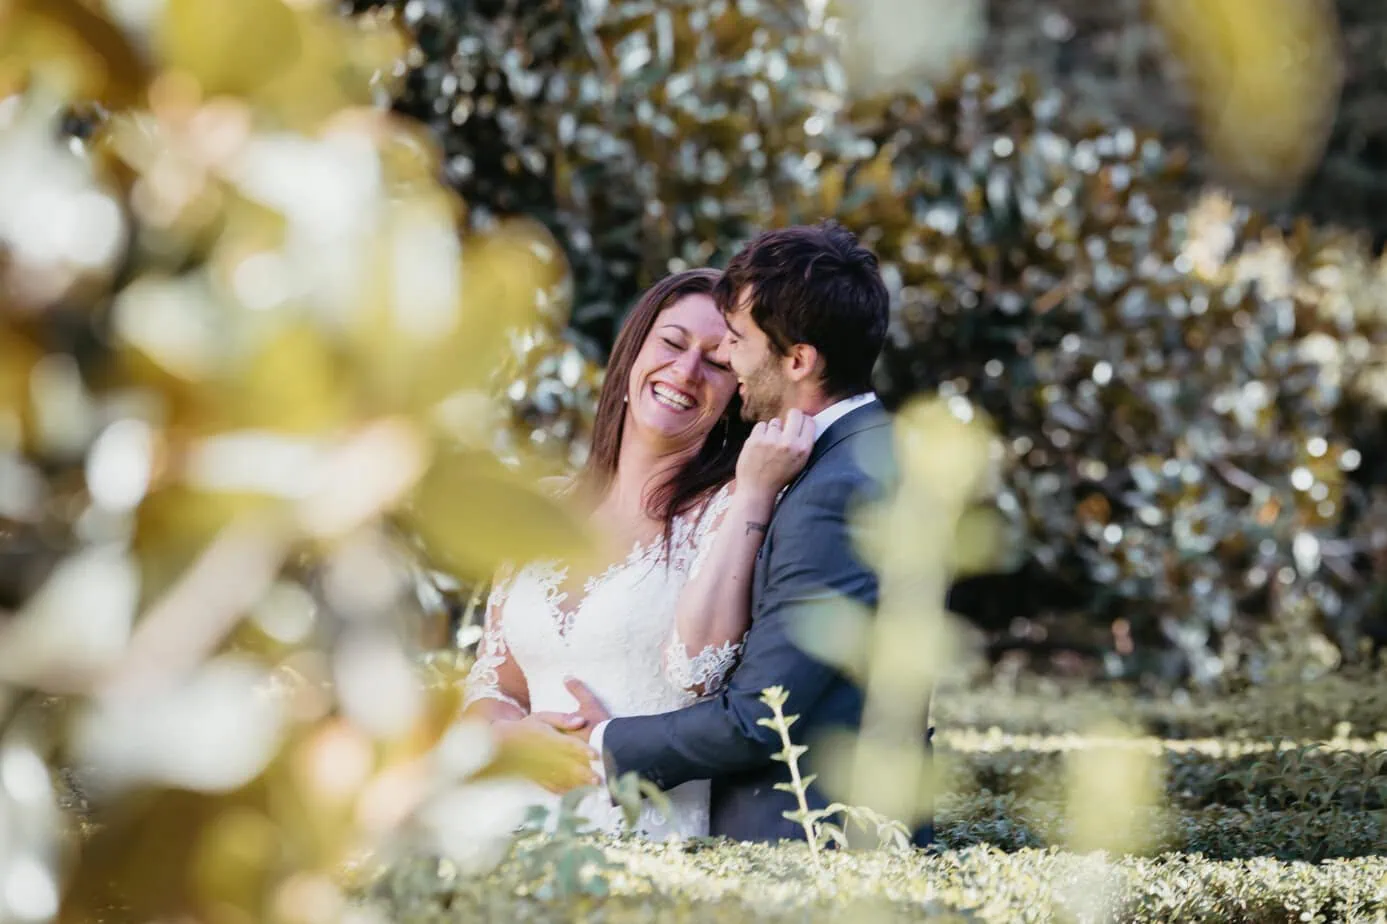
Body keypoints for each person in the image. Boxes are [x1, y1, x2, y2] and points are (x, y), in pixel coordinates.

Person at [563, 221, 934, 847]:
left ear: (797, 360)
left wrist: (601, 743)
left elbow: (765, 715)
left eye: (735, 340)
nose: (728, 361)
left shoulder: (838, 488)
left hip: (808, 847)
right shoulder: (853, 456)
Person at [458, 268, 813, 838]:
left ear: (733, 396)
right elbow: (495, 684)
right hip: (502, 827)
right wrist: (506, 737)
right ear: (630, 357)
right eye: (672, 344)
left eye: (717, 362)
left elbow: (700, 671)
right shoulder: (543, 509)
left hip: (638, 837)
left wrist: (754, 491)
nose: (685, 371)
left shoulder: (729, 511)